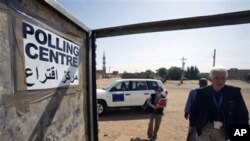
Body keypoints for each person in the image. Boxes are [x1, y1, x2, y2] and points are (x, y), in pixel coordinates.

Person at [189, 66, 249, 141]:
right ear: (210, 79)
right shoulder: (201, 92)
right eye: (216, 78)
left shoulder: (234, 92)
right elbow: (194, 110)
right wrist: (192, 124)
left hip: (224, 129)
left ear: (226, 79)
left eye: (223, 78)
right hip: (205, 128)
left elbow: (242, 113)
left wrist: (242, 134)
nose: (220, 81)